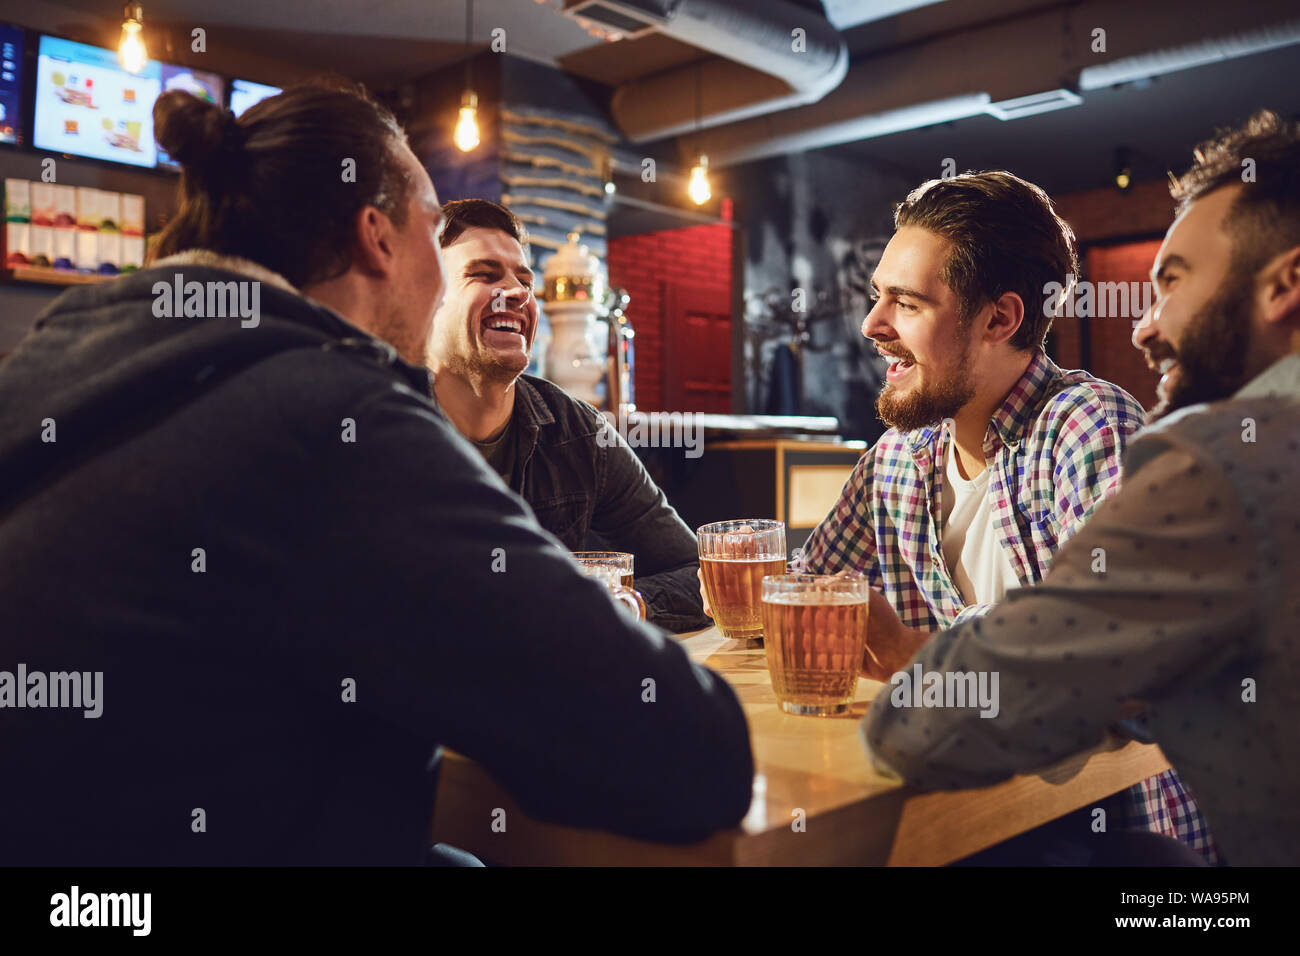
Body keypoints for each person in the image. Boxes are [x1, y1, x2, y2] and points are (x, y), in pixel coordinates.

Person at [0, 80, 753, 865]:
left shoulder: (49, 364)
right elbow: (693, 752)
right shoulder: (336, 412)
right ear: (377, 239)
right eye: (437, 229)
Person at [860, 110, 1300, 866]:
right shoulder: (904, 451)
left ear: (1288, 283)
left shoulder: (1226, 465)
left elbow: (925, 724)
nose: (1143, 327)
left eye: (1173, 283)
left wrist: (915, 659)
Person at [786, 170, 1213, 859]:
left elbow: (1127, 666)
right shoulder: (899, 456)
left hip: (1111, 832)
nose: (872, 325)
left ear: (1000, 320)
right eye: (877, 298)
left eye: (907, 303)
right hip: (968, 816)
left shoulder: (1085, 425)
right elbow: (803, 586)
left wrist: (908, 657)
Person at [426, 198, 709, 632]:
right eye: (484, 275)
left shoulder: (578, 434)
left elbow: (697, 575)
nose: (519, 292)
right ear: (426, 300)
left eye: (524, 279)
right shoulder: (379, 430)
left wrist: (616, 607)